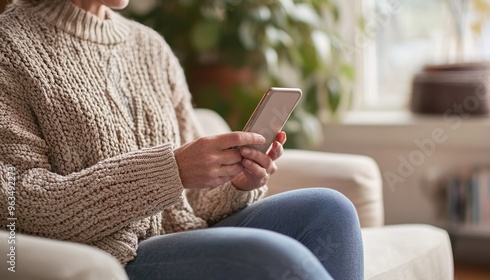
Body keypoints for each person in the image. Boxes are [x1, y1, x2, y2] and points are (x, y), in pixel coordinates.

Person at [0, 0, 364, 279]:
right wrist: (169, 170)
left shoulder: (150, 47)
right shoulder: (10, 46)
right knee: (267, 256)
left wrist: (235, 182)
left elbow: (195, 198)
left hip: (183, 234)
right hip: (113, 258)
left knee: (330, 209)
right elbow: (17, 203)